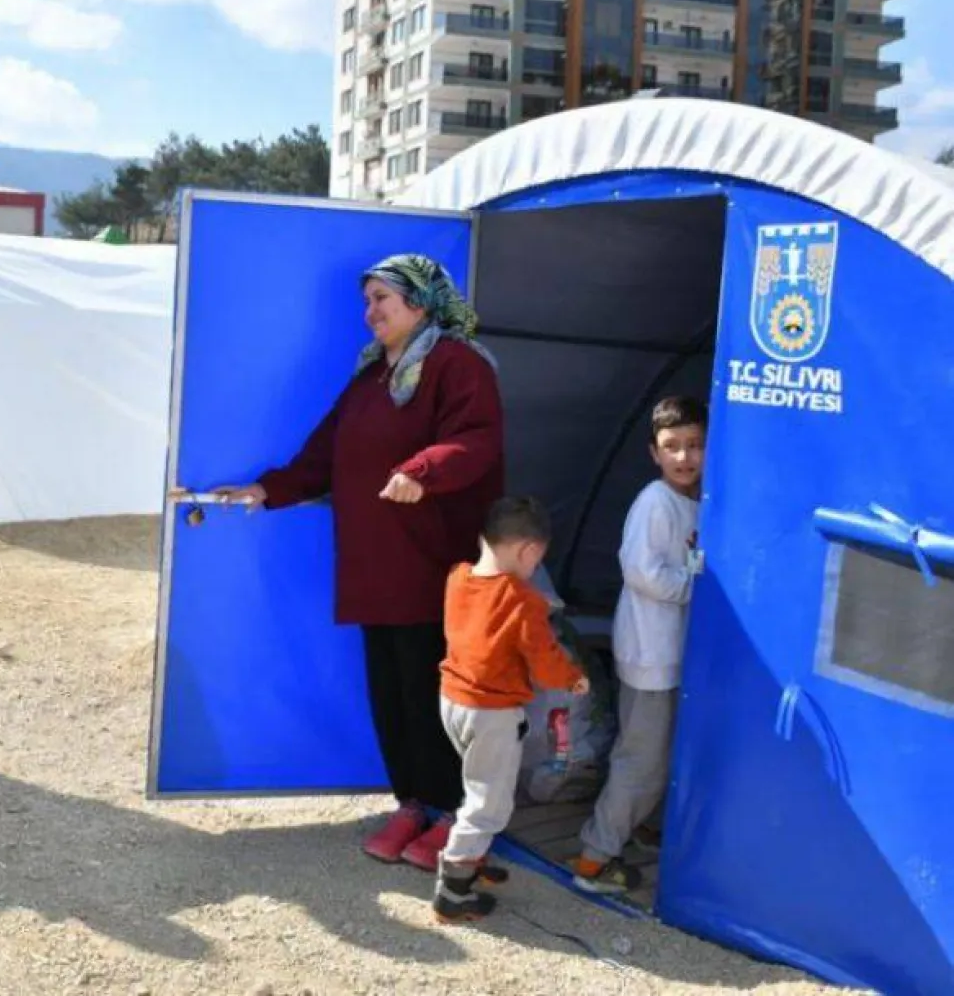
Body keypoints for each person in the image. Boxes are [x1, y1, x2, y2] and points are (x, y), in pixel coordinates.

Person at [217, 253, 505, 872]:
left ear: (419, 303)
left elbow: (477, 438)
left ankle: (454, 813)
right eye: (367, 300)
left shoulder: (457, 365)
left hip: (432, 563)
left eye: (382, 299)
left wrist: (421, 471)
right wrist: (270, 488)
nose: (370, 312)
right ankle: (413, 803)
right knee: (392, 694)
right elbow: (327, 451)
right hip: (376, 564)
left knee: (433, 695)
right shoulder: (373, 375)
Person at [571, 395, 706, 894]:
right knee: (641, 759)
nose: (683, 457)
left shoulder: (696, 502)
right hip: (650, 654)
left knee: (661, 751)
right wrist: (699, 589)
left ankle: (643, 827)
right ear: (654, 452)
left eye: (694, 445)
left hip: (669, 654)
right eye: (672, 446)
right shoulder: (655, 501)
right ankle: (595, 856)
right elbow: (641, 571)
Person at [433, 496, 588, 922]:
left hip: (453, 700)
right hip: (492, 713)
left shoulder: (458, 577)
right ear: (530, 551)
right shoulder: (523, 600)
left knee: (476, 782)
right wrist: (573, 678)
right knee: (489, 803)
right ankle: (453, 891)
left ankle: (473, 859)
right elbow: (545, 660)